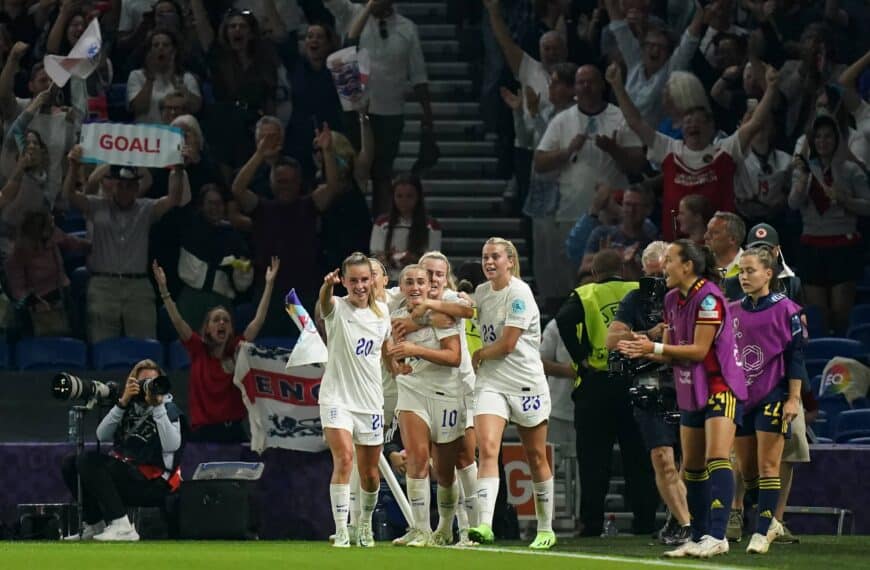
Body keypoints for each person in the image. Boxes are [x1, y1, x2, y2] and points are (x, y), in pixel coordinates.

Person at [618, 240, 746, 559]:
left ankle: (719, 534)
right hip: (691, 388)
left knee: (717, 456)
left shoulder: (709, 299)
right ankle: (699, 534)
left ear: (688, 265)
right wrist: (643, 344)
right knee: (691, 466)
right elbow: (673, 353)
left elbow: (700, 352)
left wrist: (655, 349)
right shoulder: (672, 299)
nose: (664, 266)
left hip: (721, 386)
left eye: (671, 260)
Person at [606, 62, 781, 241]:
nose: (692, 125)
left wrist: (772, 88)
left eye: (698, 121)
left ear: (710, 126)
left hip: (718, 246)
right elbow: (636, 122)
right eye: (687, 121)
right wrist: (617, 86)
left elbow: (755, 124)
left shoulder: (724, 150)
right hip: (676, 247)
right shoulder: (669, 149)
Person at [555, 249, 656, 538]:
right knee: (638, 456)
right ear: (622, 271)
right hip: (635, 377)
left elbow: (563, 319)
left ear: (595, 273)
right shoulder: (638, 289)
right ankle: (645, 522)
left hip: (597, 382)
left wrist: (581, 357)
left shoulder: (586, 294)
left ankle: (592, 524)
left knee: (593, 459)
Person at [465, 237, 555, 550]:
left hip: (526, 382)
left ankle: (545, 527)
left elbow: (507, 344)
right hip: (492, 383)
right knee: (487, 449)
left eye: (495, 257)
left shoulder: (520, 294)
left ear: (510, 262)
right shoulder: (480, 292)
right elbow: (466, 312)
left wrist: (478, 355)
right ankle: (484, 525)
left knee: (535, 456)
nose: (489, 263)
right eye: (485, 257)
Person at [605, 241, 691, 546]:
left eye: (662, 272)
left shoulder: (692, 298)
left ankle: (686, 518)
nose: (658, 280)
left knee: (690, 462)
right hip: (650, 385)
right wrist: (649, 335)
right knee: (662, 458)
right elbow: (611, 339)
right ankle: (682, 521)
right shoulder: (635, 299)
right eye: (652, 273)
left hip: (688, 383)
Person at [533, 65, 645, 298]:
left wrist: (614, 149)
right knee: (570, 279)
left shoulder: (618, 116)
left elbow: (638, 162)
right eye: (580, 82)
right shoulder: (562, 120)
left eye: (591, 81)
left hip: (613, 215)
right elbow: (540, 161)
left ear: (601, 85)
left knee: (610, 275)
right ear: (574, 87)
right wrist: (567, 151)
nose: (586, 87)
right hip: (571, 210)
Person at [64, 147, 187, 342]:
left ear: (137, 188)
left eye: (130, 186)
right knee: (101, 345)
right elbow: (70, 195)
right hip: (103, 284)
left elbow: (174, 198)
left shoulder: (146, 208)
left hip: (138, 285)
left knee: (145, 346)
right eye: (120, 185)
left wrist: (177, 170)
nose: (124, 190)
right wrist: (73, 166)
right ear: (113, 185)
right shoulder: (96, 205)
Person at [231, 124, 342, 336]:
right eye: (281, 181)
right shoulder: (262, 208)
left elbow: (332, 187)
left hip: (302, 295)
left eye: (290, 181)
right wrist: (260, 154)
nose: (286, 186)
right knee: (265, 351)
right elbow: (237, 188)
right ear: (272, 182)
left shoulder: (309, 205)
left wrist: (327, 151)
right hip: (268, 296)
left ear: (299, 182)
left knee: (305, 350)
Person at [730, 247, 806, 554]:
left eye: (750, 271)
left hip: (772, 393)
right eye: (741, 272)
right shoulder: (732, 310)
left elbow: (796, 357)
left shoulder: (788, 309)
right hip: (741, 397)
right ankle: (770, 522)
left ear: (768, 274)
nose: (744, 277)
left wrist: (793, 398)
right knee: (748, 469)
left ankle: (762, 531)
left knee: (769, 464)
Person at [154, 256, 279, 442]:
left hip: (233, 433)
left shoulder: (238, 349)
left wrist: (269, 284)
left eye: (226, 320)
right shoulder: (197, 349)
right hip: (204, 435)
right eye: (216, 320)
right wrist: (164, 290)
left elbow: (258, 321)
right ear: (207, 328)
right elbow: (178, 321)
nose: (221, 323)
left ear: (230, 329)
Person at [318, 252, 396, 548]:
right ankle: (341, 529)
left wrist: (397, 366)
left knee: (370, 474)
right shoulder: (337, 307)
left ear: (372, 280)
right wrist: (327, 287)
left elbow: (384, 349)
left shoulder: (382, 315)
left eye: (365, 279)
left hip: (370, 402)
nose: (360, 286)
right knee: (344, 459)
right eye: (353, 280)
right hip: (337, 398)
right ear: (344, 281)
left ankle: (364, 523)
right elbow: (324, 304)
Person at [327, 0, 433, 215]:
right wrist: (368, 8)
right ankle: (351, 226)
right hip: (353, 109)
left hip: (390, 110)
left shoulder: (407, 28)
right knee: (350, 172)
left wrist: (427, 113)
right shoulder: (351, 12)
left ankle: (382, 229)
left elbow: (418, 74)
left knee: (383, 174)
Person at [61, 359, 183, 542]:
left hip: (156, 484)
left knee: (89, 461)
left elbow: (172, 446)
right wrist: (123, 401)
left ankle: (122, 525)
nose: (148, 388)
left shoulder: (168, 409)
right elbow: (101, 435)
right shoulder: (128, 406)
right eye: (143, 383)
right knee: (71, 463)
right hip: (129, 476)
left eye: (153, 383)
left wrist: (157, 407)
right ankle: (95, 525)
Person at [386, 264, 463, 547]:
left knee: (444, 470)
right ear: (402, 287)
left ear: (429, 284)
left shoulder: (443, 314)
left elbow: (454, 357)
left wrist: (415, 350)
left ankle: (444, 528)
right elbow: (393, 351)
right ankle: (419, 529)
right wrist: (396, 364)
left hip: (446, 392)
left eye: (421, 281)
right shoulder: (395, 316)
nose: (415, 287)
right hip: (412, 391)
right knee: (417, 459)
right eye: (409, 282)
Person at [788, 112, 870, 335]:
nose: (823, 142)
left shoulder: (850, 170)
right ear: (812, 141)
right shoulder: (803, 170)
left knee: (841, 314)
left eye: (828, 137)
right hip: (812, 246)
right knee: (817, 315)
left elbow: (868, 206)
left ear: (837, 140)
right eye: (819, 137)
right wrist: (802, 181)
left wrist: (846, 200)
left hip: (843, 245)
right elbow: (793, 204)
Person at [602, 0, 704, 126]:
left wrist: (701, 13)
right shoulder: (635, 62)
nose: (655, 50)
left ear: (668, 53)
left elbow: (688, 42)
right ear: (643, 47)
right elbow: (619, 27)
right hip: (623, 132)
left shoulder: (670, 71)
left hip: (652, 139)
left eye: (661, 47)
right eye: (651, 45)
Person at [5, 210, 89, 337]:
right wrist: (33, 302)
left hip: (63, 291)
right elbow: (18, 294)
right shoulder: (15, 257)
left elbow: (72, 243)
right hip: (37, 304)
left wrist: (94, 247)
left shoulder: (51, 234)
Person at [370, 174, 441, 283]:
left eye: (409, 196)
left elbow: (434, 260)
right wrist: (389, 258)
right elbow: (375, 257)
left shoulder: (431, 226)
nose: (404, 201)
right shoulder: (382, 223)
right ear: (393, 197)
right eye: (399, 196)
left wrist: (414, 259)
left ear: (418, 197)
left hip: (419, 282)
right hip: (388, 281)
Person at [127, 29, 202, 124]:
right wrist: (150, 79)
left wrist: (175, 81)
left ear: (174, 51)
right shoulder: (136, 76)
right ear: (149, 52)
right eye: (156, 45)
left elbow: (195, 107)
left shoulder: (186, 77)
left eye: (166, 45)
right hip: (147, 133)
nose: (160, 48)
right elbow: (138, 108)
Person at [704, 211, 746, 278]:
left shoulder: (749, 267)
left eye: (714, 233)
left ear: (732, 239)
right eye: (707, 231)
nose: (706, 236)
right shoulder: (700, 263)